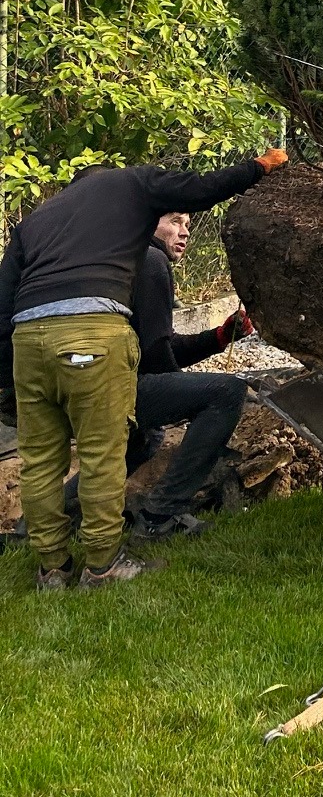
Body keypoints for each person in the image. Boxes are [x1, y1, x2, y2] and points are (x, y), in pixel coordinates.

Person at [0, 151, 285, 590]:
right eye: (175, 220)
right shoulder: (131, 184)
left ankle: (52, 569)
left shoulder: (37, 220)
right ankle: (104, 565)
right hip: (92, 337)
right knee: (102, 453)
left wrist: (7, 383)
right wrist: (259, 168)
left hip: (30, 341)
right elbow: (203, 187)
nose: (183, 228)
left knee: (39, 462)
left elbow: (3, 307)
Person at [124, 210, 257, 539]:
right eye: (174, 222)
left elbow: (158, 345)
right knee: (227, 392)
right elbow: (157, 354)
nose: (184, 232)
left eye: (188, 225)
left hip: (72, 379)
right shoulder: (152, 259)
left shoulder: (125, 256)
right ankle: (161, 515)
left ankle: (55, 519)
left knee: (145, 437)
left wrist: (219, 338)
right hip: (113, 386)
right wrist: (184, 404)